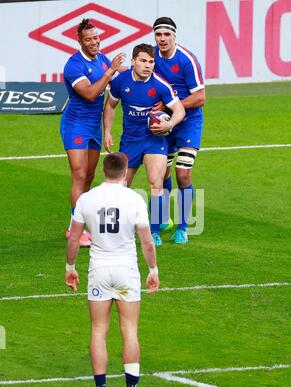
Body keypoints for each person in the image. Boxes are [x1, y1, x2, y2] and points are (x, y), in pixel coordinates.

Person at [65, 152, 159, 387]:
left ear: (105, 170)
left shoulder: (87, 199)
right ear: (125, 169)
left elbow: (74, 238)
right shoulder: (135, 199)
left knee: (98, 331)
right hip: (126, 270)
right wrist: (153, 271)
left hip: (99, 270)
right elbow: (147, 242)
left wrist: (70, 267)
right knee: (129, 330)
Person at [103, 43, 185, 247]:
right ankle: (116, 230)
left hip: (154, 140)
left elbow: (180, 110)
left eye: (151, 62)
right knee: (120, 187)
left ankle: (155, 231)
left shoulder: (160, 85)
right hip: (130, 141)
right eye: (143, 61)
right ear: (133, 62)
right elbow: (111, 106)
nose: (147, 65)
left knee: (155, 183)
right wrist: (107, 131)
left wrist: (170, 124)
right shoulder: (121, 81)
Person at [61, 18, 126, 247]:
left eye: (96, 38)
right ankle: (76, 231)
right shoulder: (73, 65)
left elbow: (122, 76)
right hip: (75, 125)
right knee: (78, 175)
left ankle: (74, 225)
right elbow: (90, 93)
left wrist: (142, 69)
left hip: (94, 126)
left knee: (88, 176)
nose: (94, 42)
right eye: (88, 39)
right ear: (80, 40)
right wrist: (110, 70)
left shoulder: (102, 59)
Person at [152, 17, 206, 244]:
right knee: (159, 174)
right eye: (158, 35)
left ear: (174, 36)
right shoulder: (151, 56)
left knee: (183, 173)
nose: (162, 39)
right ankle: (161, 221)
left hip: (188, 123)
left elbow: (200, 97)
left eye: (167, 35)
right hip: (165, 123)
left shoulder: (186, 60)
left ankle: (182, 227)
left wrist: (170, 106)